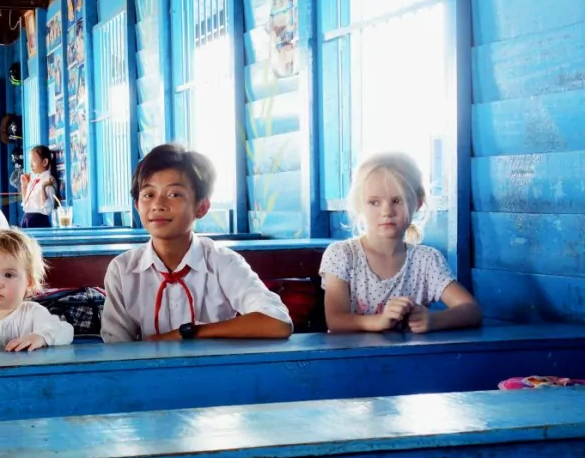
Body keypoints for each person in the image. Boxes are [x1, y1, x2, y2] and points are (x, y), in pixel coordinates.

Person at [101, 144, 293, 342]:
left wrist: (185, 333)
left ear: (201, 207)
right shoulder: (122, 270)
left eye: (174, 194)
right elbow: (115, 347)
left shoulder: (223, 262)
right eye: (148, 195)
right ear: (137, 205)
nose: (158, 205)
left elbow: (277, 321)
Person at [319, 152, 482, 333]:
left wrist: (433, 320)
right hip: (351, 360)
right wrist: (379, 321)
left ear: (418, 204)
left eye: (397, 200)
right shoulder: (341, 255)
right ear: (359, 205)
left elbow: (471, 310)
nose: (387, 211)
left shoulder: (427, 260)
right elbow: (335, 321)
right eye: (374, 202)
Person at [0, 229, 73, 353]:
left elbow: (65, 331)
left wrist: (41, 337)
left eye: (8, 275)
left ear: (29, 282)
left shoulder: (33, 313)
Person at [19, 145, 59, 228]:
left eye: (33, 161)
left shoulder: (49, 180)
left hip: (38, 221)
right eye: (30, 162)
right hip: (27, 218)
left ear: (45, 162)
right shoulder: (34, 179)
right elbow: (26, 205)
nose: (31, 165)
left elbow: (48, 209)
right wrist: (24, 186)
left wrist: (43, 188)